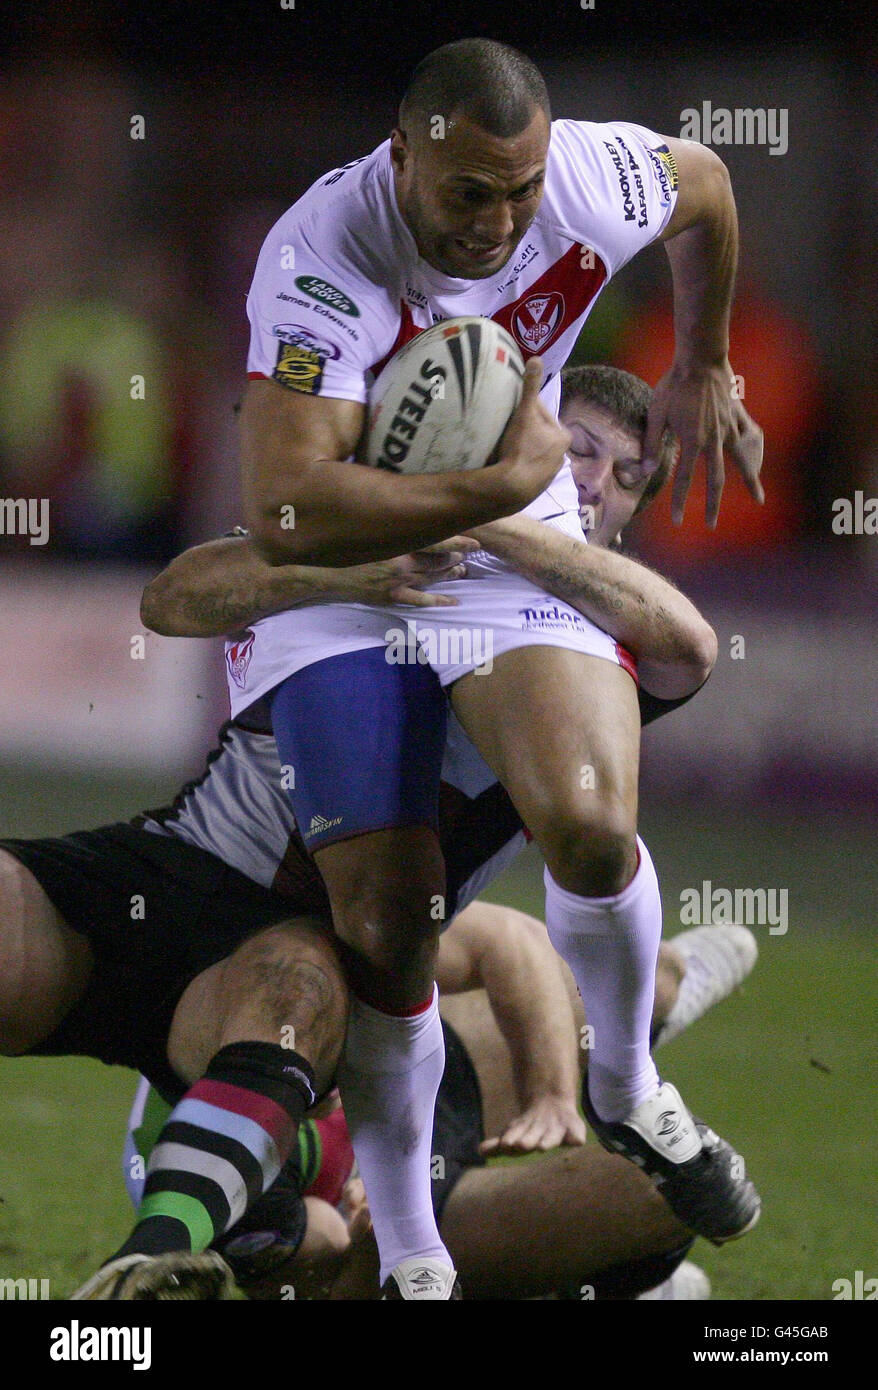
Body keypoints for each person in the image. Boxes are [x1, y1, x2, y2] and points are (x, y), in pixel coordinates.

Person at [0, 366, 723, 1299]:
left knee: (311, 1017)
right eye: (576, 452)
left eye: (627, 478)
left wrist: (495, 521)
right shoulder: (362, 551)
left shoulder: (588, 664)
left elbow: (688, 642)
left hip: (303, 980)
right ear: (515, 444)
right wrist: (362, 560)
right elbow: (173, 596)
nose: (592, 483)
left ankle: (150, 1266)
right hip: (174, 867)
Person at [232, 37, 765, 1295]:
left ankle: (629, 1077)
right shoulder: (321, 255)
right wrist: (505, 485)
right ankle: (415, 1248)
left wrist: (702, 358)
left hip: (491, 542)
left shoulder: (579, 181)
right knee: (385, 920)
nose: (501, 220)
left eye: (519, 191)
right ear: (404, 151)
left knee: (586, 825)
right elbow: (285, 511)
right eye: (470, 191)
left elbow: (706, 187)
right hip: (348, 567)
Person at [123, 908, 758, 1301]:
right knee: (669, 1196)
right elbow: (313, 1278)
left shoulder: (300, 949)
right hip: (400, 1223)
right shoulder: (211, 1163)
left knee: (615, 979)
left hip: (433, 1080)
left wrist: (552, 1095)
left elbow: (508, 940)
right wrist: (354, 1209)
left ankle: (645, 1018)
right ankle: (569, 1282)